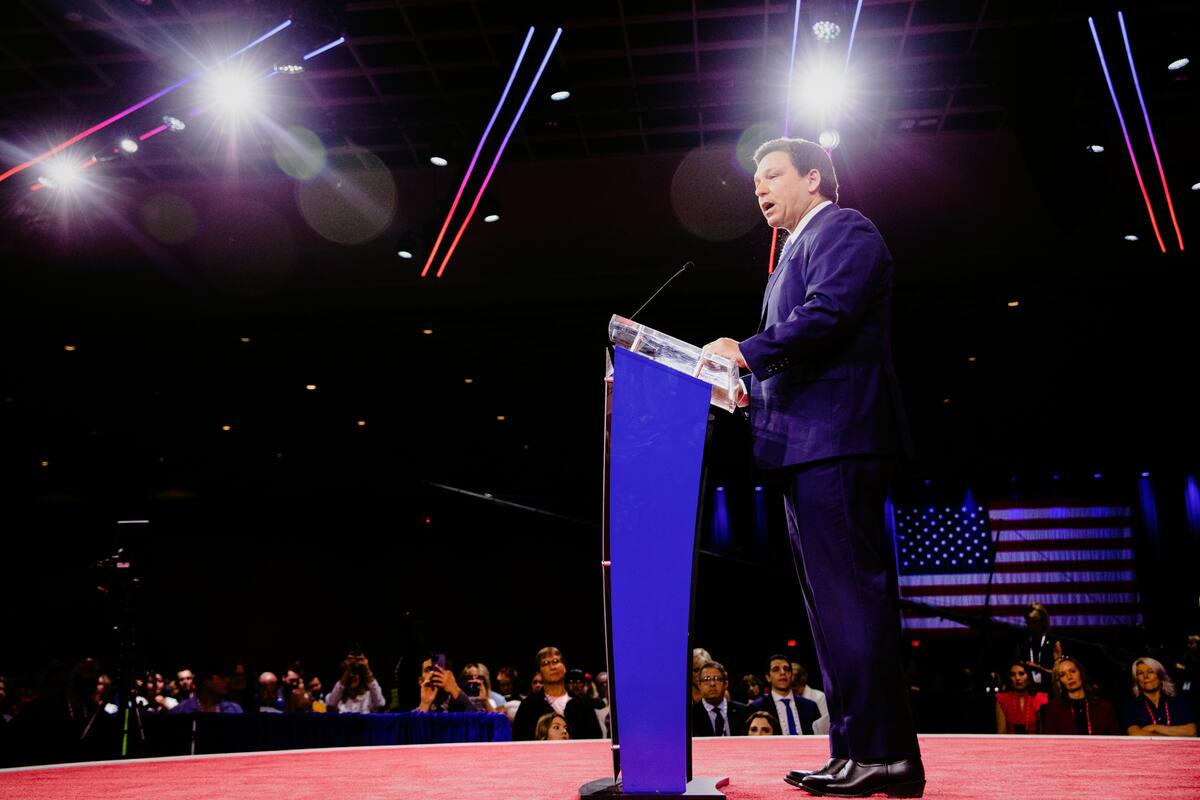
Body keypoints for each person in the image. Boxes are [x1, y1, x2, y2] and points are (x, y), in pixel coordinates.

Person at [704, 137, 922, 798]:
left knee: (852, 603)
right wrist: (746, 387)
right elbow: (797, 351)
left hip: (837, 441)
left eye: (772, 175)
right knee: (831, 613)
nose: (760, 188)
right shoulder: (791, 253)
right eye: (756, 181)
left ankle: (886, 755)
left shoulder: (844, 229)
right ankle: (852, 750)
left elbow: (829, 315)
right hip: (804, 447)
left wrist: (746, 353)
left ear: (814, 178)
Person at [511, 646, 601, 740]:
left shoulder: (583, 704)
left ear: (564, 667)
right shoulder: (528, 706)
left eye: (556, 661)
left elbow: (596, 737)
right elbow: (520, 740)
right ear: (539, 673)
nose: (552, 667)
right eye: (546, 663)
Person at [1038, 657, 1119, 735]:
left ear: (1081, 673)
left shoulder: (1104, 707)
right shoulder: (1053, 709)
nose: (1069, 677)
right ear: (1059, 681)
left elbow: (1115, 739)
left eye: (1073, 671)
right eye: (1062, 675)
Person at [1125, 657, 1196, 737]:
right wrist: (1170, 736)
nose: (1145, 676)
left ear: (1160, 676)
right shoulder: (1133, 706)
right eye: (1140, 673)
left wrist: (1154, 728)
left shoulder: (1178, 702)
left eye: (1151, 672)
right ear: (1137, 679)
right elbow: (1134, 734)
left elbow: (1192, 732)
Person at [752, 655, 820, 737]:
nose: (782, 673)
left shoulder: (810, 706)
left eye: (786, 669)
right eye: (776, 669)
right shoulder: (756, 707)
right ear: (768, 677)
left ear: (791, 676)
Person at [691, 661, 751, 736]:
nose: (712, 684)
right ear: (699, 685)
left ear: (726, 684)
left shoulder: (745, 712)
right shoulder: (689, 715)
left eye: (717, 679)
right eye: (706, 679)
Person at [413, 653, 485, 713]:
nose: (434, 673)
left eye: (440, 668)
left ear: (450, 675)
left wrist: (455, 691)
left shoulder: (471, 701)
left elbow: (480, 723)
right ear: (421, 681)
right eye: (429, 670)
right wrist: (425, 705)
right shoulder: (413, 714)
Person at [994, 661, 1048, 734]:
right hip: (1010, 741)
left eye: (1021, 674)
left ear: (1029, 676)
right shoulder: (1002, 699)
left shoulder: (1040, 699)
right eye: (1013, 675)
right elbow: (1002, 732)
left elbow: (1043, 733)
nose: (1017, 678)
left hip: (1035, 741)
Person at [1017, 603, 1061, 689]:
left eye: (1034, 622)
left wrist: (1039, 669)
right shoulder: (1023, 643)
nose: (1031, 626)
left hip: (1050, 690)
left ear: (1042, 622)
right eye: (1028, 622)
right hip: (1028, 690)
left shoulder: (1054, 643)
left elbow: (1059, 673)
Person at [791, 661, 831, 735]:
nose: (791, 689)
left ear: (802, 682)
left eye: (793, 685)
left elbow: (825, 725)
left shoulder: (819, 697)